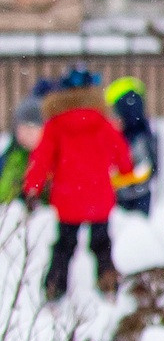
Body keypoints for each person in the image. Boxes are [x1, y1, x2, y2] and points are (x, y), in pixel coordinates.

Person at [22, 76, 134, 302]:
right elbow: (120, 151)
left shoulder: (55, 125)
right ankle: (108, 283)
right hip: (98, 196)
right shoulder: (101, 122)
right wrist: (126, 172)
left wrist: (32, 187)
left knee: (64, 245)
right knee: (102, 243)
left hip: (68, 198)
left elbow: (41, 159)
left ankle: (55, 287)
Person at [101, 76, 158, 215]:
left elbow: (147, 168)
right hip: (126, 194)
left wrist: (118, 179)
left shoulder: (137, 137)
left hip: (134, 193)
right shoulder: (133, 134)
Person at [1, 86, 47, 205]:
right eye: (23, 129)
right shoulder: (12, 155)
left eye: (32, 129)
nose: (28, 135)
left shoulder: (47, 157)